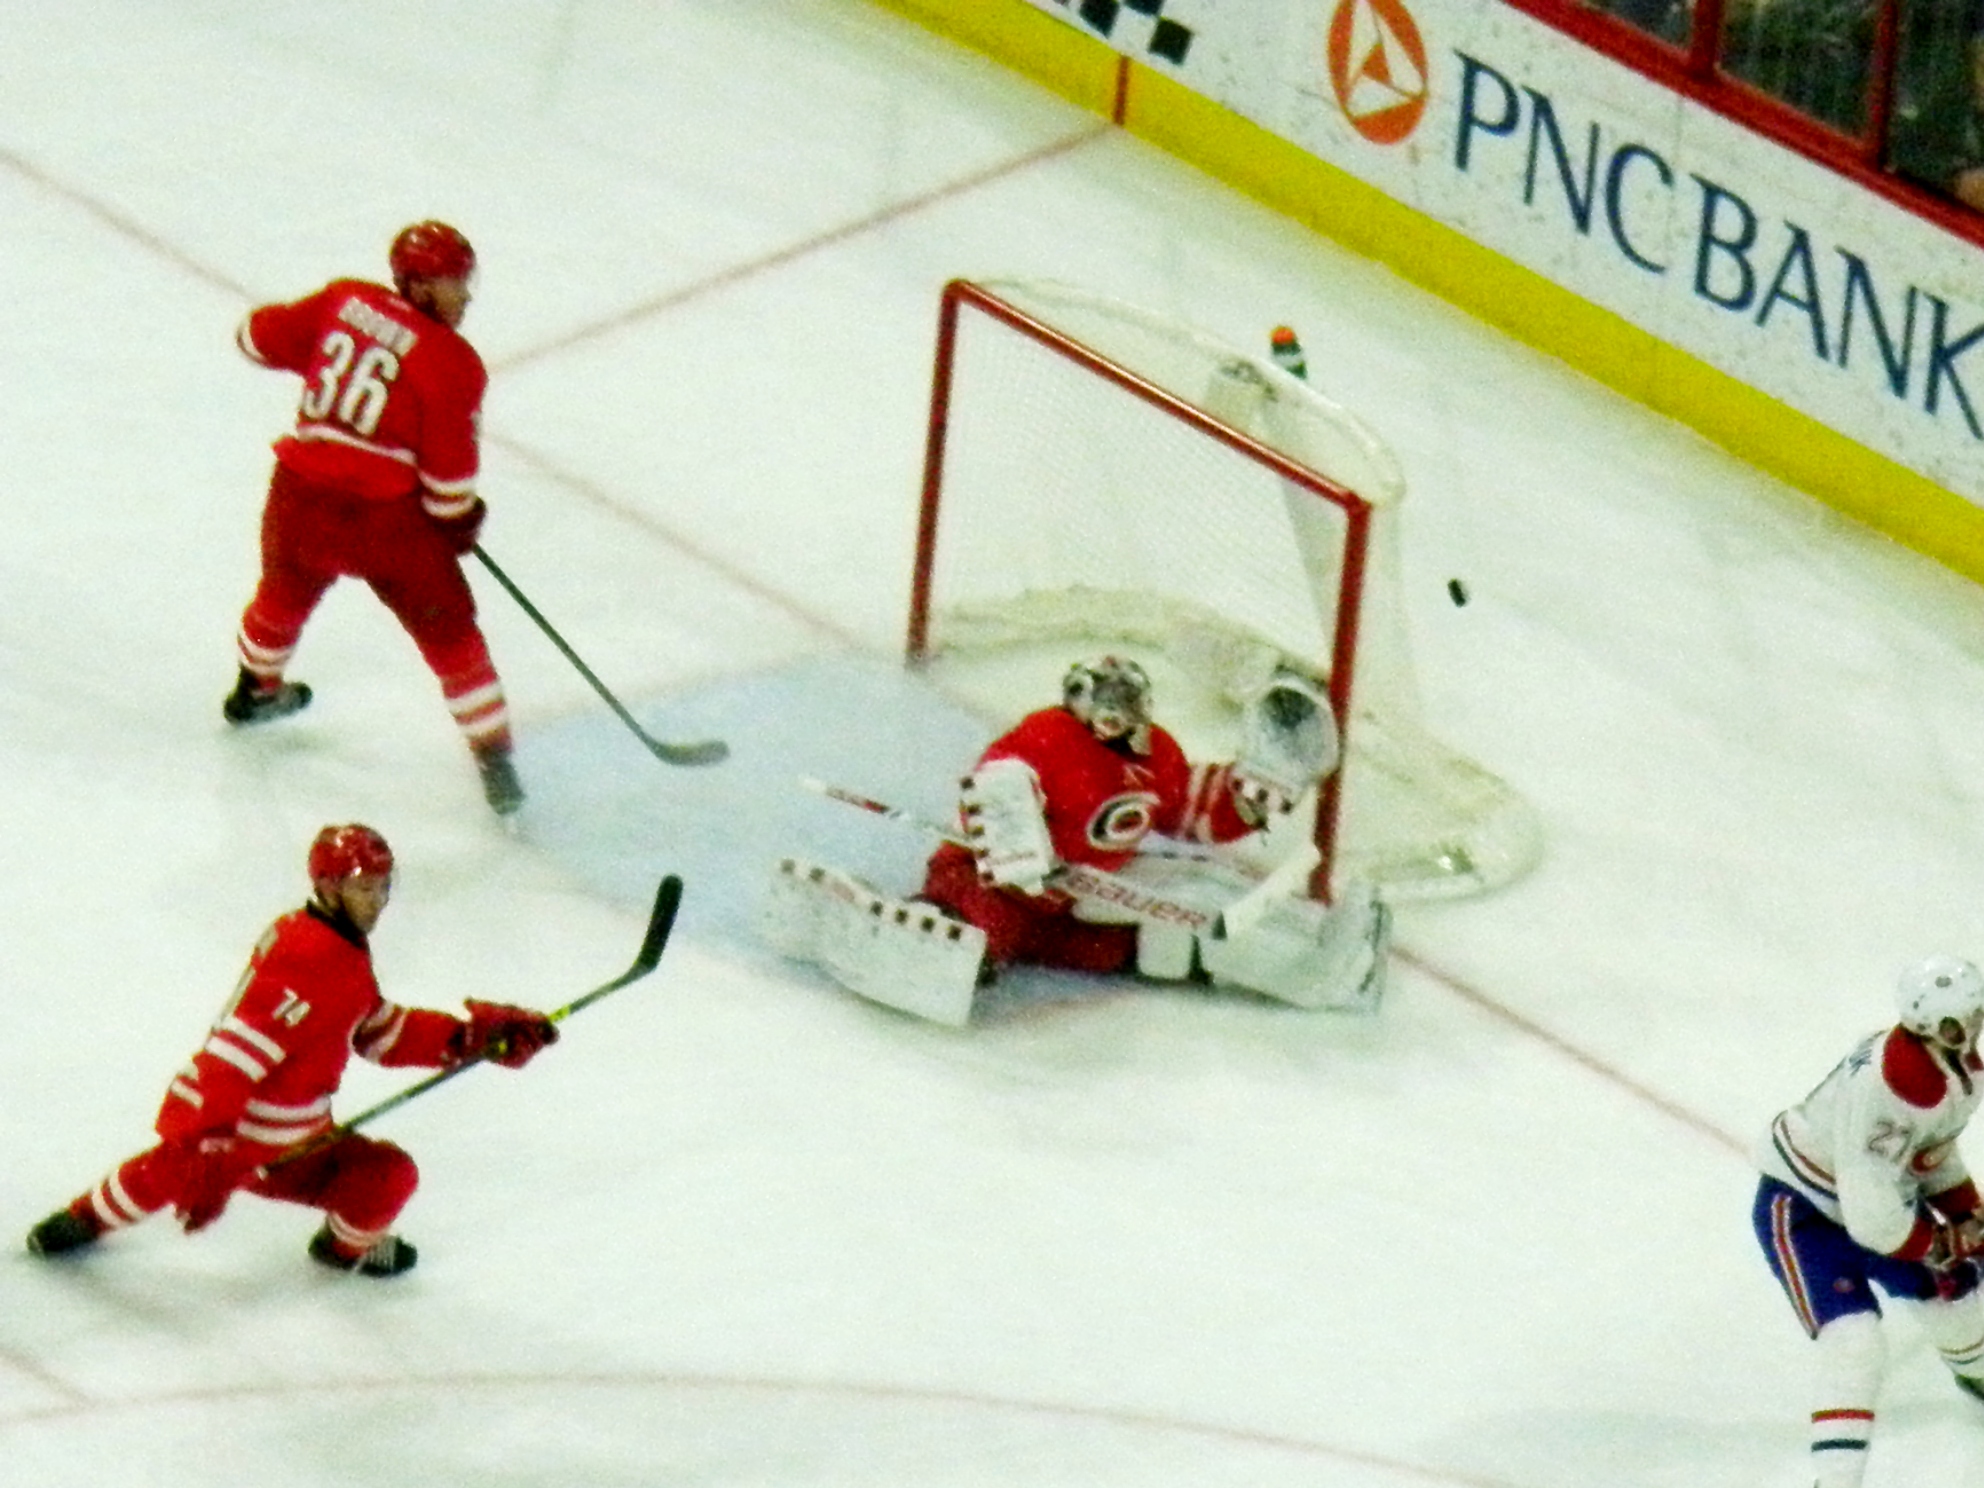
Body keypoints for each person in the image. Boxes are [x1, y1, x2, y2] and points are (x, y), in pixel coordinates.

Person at [24, 824, 558, 1278]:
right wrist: (213, 1146)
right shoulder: (308, 956)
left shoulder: (339, 948)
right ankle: (84, 1218)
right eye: (363, 887)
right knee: (166, 1171)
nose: (377, 900)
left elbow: (377, 1031)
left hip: (300, 1142)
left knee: (388, 1176)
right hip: (230, 1135)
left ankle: (343, 1249)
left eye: (382, 886)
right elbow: (231, 1059)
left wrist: (466, 1039)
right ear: (327, 885)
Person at [222, 221, 524, 816]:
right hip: (386, 524)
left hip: (300, 497)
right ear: (420, 285)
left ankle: (254, 688)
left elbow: (254, 338)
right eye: (455, 282)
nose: (465, 295)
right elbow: (447, 490)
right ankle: (495, 760)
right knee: (452, 635)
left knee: (282, 592)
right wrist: (460, 521)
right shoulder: (453, 363)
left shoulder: (345, 300)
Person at [1753, 955, 1984, 1486]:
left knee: (1958, 1299)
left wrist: (1963, 1209)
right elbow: (1871, 1214)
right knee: (1855, 1342)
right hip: (1805, 1211)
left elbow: (1929, 1151)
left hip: (1876, 1203)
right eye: (1960, 1022)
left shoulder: (1944, 1066)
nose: (1972, 1029)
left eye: (1977, 1015)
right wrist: (1937, 1241)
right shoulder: (1897, 1087)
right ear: (1928, 1026)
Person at [919, 655, 1297, 974]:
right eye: (1109, 698)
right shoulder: (1051, 733)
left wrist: (1248, 797)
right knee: (987, 918)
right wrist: (1015, 845)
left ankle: (1254, 961)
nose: (1119, 710)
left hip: (1065, 904)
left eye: (1129, 699)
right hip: (985, 878)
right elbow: (1000, 778)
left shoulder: (1158, 755)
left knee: (1118, 948)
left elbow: (1189, 805)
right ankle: (935, 932)